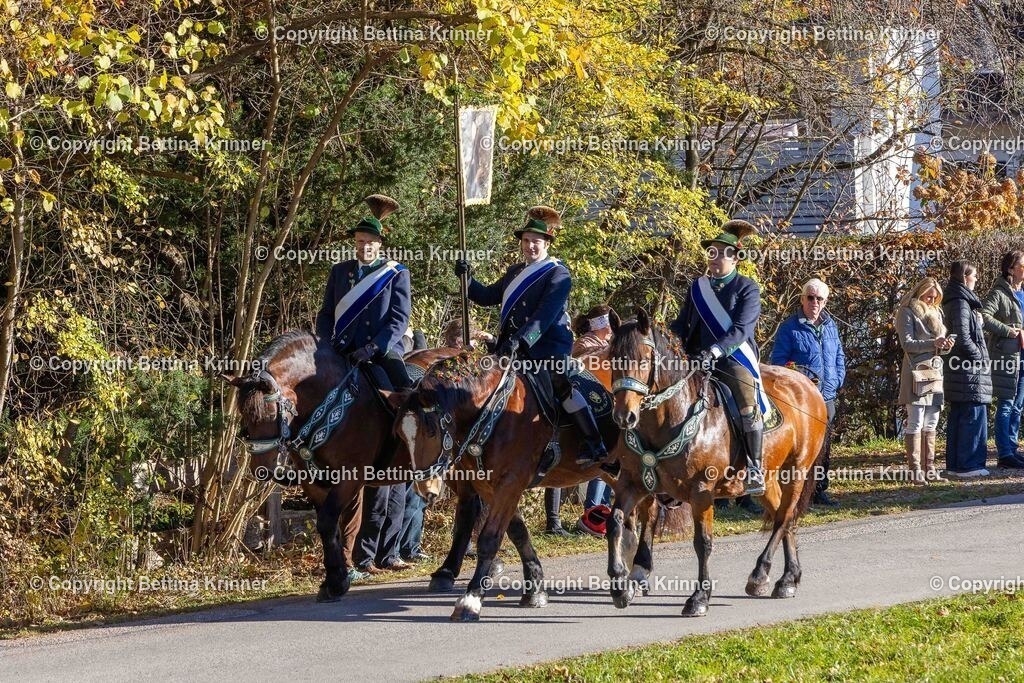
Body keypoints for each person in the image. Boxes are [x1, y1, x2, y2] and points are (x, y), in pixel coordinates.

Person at [454, 205, 608, 466]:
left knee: (561, 384)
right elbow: (487, 296)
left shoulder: (559, 273)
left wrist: (520, 340)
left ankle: (593, 443)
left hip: (546, 346)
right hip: (512, 347)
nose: (530, 246)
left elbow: (544, 315)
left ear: (547, 243)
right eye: (526, 241)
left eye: (535, 241)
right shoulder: (515, 272)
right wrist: (467, 279)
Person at [314, 193, 412, 574]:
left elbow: (398, 320)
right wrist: (326, 346)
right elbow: (325, 314)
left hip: (379, 352)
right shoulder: (340, 272)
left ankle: (407, 452)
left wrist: (373, 347)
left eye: (369, 243)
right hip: (340, 352)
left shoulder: (396, 272)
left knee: (405, 395)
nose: (364, 248)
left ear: (380, 244)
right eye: (358, 243)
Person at [670, 219, 767, 496]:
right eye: (711, 252)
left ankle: (755, 467)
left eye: (721, 253)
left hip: (732, 360)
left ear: (735, 258)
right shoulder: (697, 288)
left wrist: (714, 351)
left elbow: (741, 330)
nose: (714, 258)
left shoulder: (747, 288)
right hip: (696, 359)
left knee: (748, 405)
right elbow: (683, 325)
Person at [771, 278, 846, 505]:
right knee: (802, 448)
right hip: (801, 401)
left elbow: (839, 357)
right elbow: (779, 363)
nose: (814, 302)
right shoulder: (789, 328)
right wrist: (801, 379)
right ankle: (798, 491)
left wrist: (838, 379)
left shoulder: (831, 326)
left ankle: (819, 490)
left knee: (824, 447)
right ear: (802, 299)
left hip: (827, 396)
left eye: (819, 298)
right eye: (810, 297)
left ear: (825, 302)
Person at [896, 276, 953, 483]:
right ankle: (915, 470)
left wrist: (945, 346)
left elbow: (937, 346)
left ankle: (929, 467)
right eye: (928, 296)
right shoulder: (907, 311)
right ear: (920, 293)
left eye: (934, 297)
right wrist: (934, 343)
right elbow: (907, 344)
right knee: (916, 420)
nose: (930, 300)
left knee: (932, 421)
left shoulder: (936, 312)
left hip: (935, 372)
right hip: (916, 372)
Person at [943, 262, 993, 478]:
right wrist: (980, 357)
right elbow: (963, 338)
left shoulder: (956, 301)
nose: (977, 279)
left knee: (959, 415)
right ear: (965, 277)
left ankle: (955, 465)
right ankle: (969, 464)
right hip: (969, 371)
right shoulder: (962, 303)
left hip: (961, 371)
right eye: (974, 275)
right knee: (973, 415)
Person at [571, 304, 619, 532]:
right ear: (600, 324)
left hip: (611, 405)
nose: (610, 328)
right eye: (608, 323)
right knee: (603, 460)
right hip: (591, 405)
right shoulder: (585, 343)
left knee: (613, 461)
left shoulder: (607, 343)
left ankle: (604, 510)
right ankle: (592, 512)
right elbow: (581, 365)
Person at [981, 250, 1024, 468]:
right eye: (1022, 265)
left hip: (1023, 356)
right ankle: (1004, 454)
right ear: (1010, 269)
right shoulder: (999, 293)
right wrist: (1009, 331)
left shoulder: (1022, 292)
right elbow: (983, 317)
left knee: (1018, 406)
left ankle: (1013, 448)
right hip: (1007, 355)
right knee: (1006, 403)